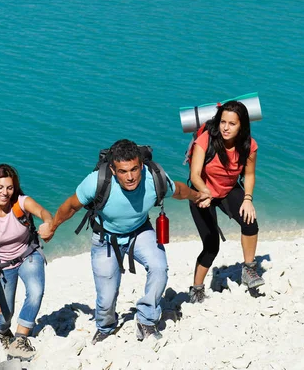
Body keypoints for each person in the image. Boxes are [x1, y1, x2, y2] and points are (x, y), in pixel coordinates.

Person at [48, 139, 209, 344]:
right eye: (123, 171)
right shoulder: (96, 181)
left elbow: (178, 190)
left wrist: (197, 197)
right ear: (113, 170)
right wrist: (52, 227)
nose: (131, 177)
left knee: (159, 268)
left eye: (134, 169)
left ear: (141, 165)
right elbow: (70, 206)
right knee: (106, 298)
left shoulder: (154, 178)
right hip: (105, 238)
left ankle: (146, 321)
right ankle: (105, 326)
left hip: (140, 232)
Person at [0, 164, 53, 360]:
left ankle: (20, 339)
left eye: (9, 187)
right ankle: (3, 332)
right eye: (0, 187)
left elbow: (44, 212)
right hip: (2, 268)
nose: (5, 192)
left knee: (35, 292)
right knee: (4, 316)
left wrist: (48, 224)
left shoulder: (21, 202)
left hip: (28, 256)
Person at [187, 100, 264, 304]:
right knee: (211, 245)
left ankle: (249, 270)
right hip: (202, 192)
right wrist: (205, 191)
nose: (226, 128)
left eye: (232, 123)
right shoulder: (205, 140)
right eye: (223, 122)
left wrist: (248, 199)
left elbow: (249, 175)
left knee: (250, 222)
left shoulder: (249, 145)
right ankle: (196, 288)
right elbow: (194, 174)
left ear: (242, 126)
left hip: (228, 189)